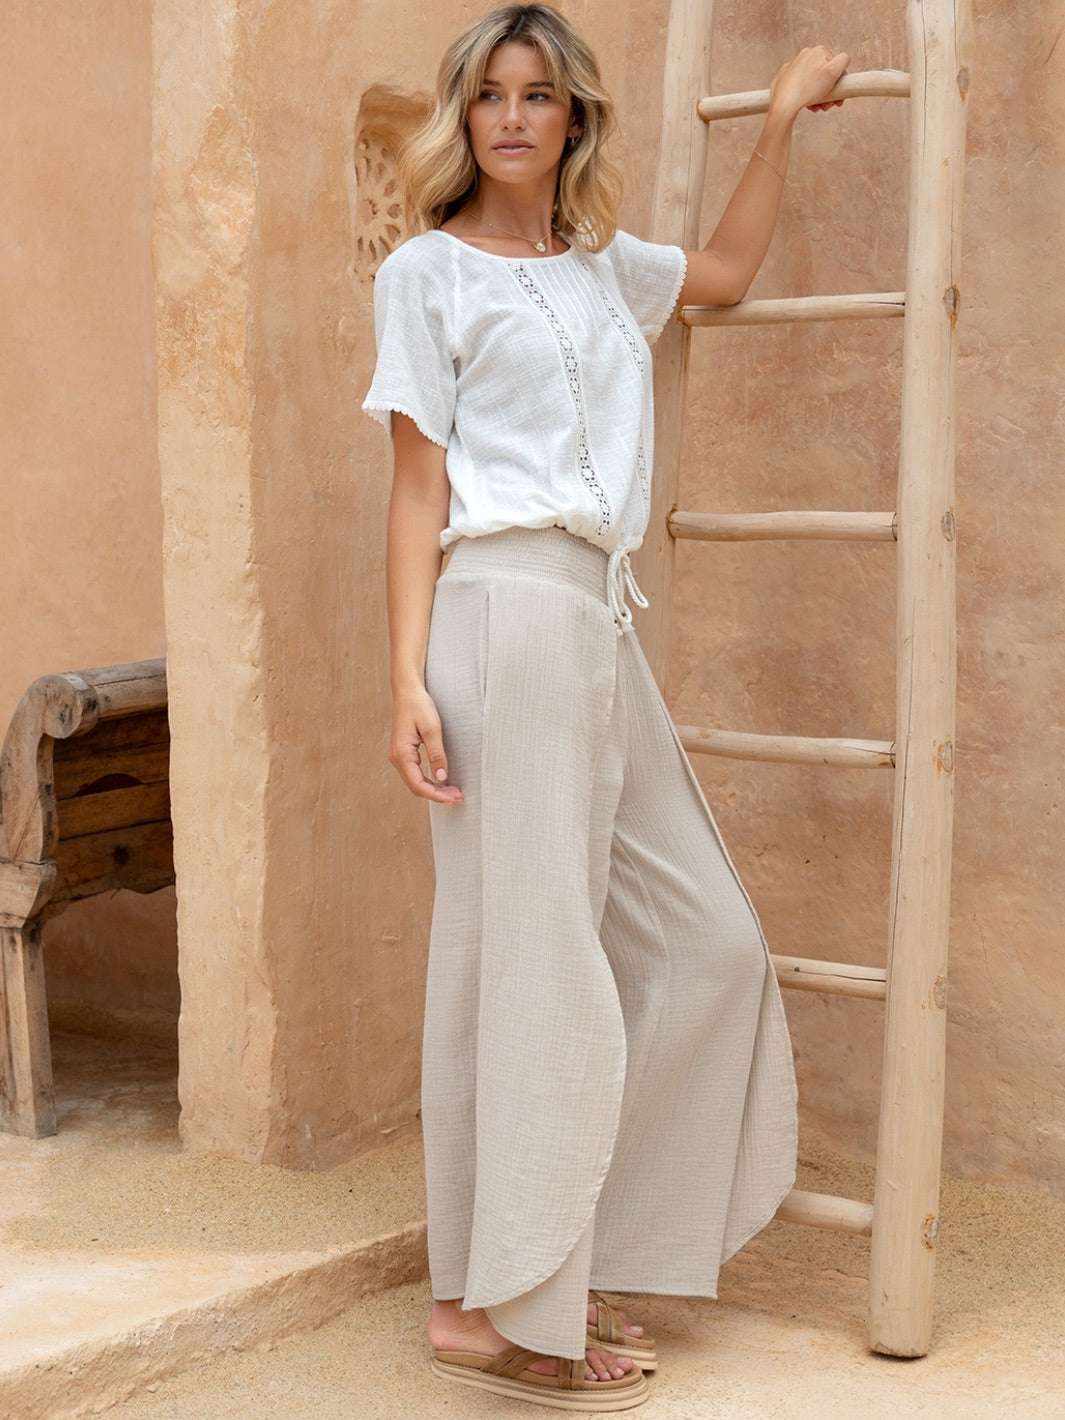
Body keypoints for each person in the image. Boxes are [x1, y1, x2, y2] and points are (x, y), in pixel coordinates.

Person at [364, 5, 848, 1409]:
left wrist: (770, 124)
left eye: (538, 96)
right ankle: (493, 1307)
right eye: (489, 97)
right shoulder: (425, 275)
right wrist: (404, 677)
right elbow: (416, 489)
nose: (512, 118)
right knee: (529, 965)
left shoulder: (600, 270)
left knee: (704, 938)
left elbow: (733, 274)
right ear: (463, 120)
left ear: (572, 118)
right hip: (496, 616)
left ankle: (561, 1254)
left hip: (596, 622)